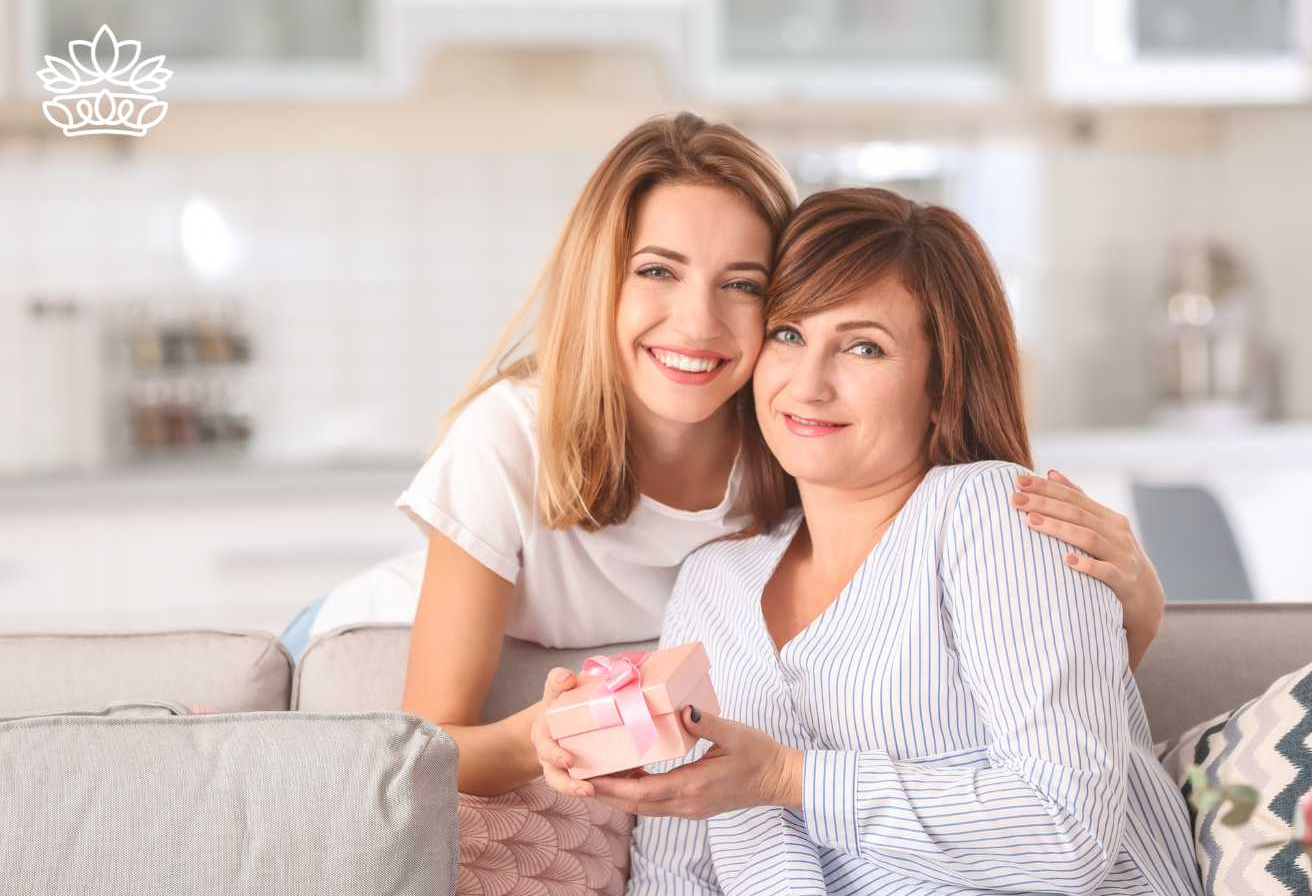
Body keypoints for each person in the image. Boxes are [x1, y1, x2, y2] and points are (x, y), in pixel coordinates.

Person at [562, 188, 1248, 896]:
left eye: (864, 346)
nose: (809, 381)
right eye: (788, 334)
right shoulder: (712, 586)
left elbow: (1069, 827)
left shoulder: (994, 516)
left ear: (941, 386)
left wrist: (792, 778)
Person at [310, 111, 1166, 799]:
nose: (697, 323)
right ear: (599, 280)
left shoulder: (793, 430)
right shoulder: (510, 439)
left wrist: (1139, 608)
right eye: (657, 271)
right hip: (372, 649)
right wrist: (540, 737)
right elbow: (429, 745)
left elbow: (967, 680)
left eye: (743, 285)